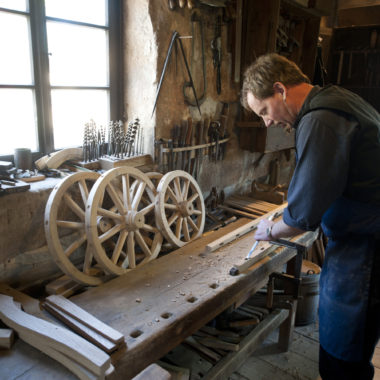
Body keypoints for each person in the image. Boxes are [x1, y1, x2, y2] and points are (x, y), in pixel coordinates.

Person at [241, 53, 380, 380]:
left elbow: (301, 217)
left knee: (343, 356)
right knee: (353, 347)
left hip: (366, 250)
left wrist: (270, 230)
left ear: (280, 90)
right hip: (361, 242)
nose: (267, 122)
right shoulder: (338, 98)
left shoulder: (321, 119)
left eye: (264, 111)